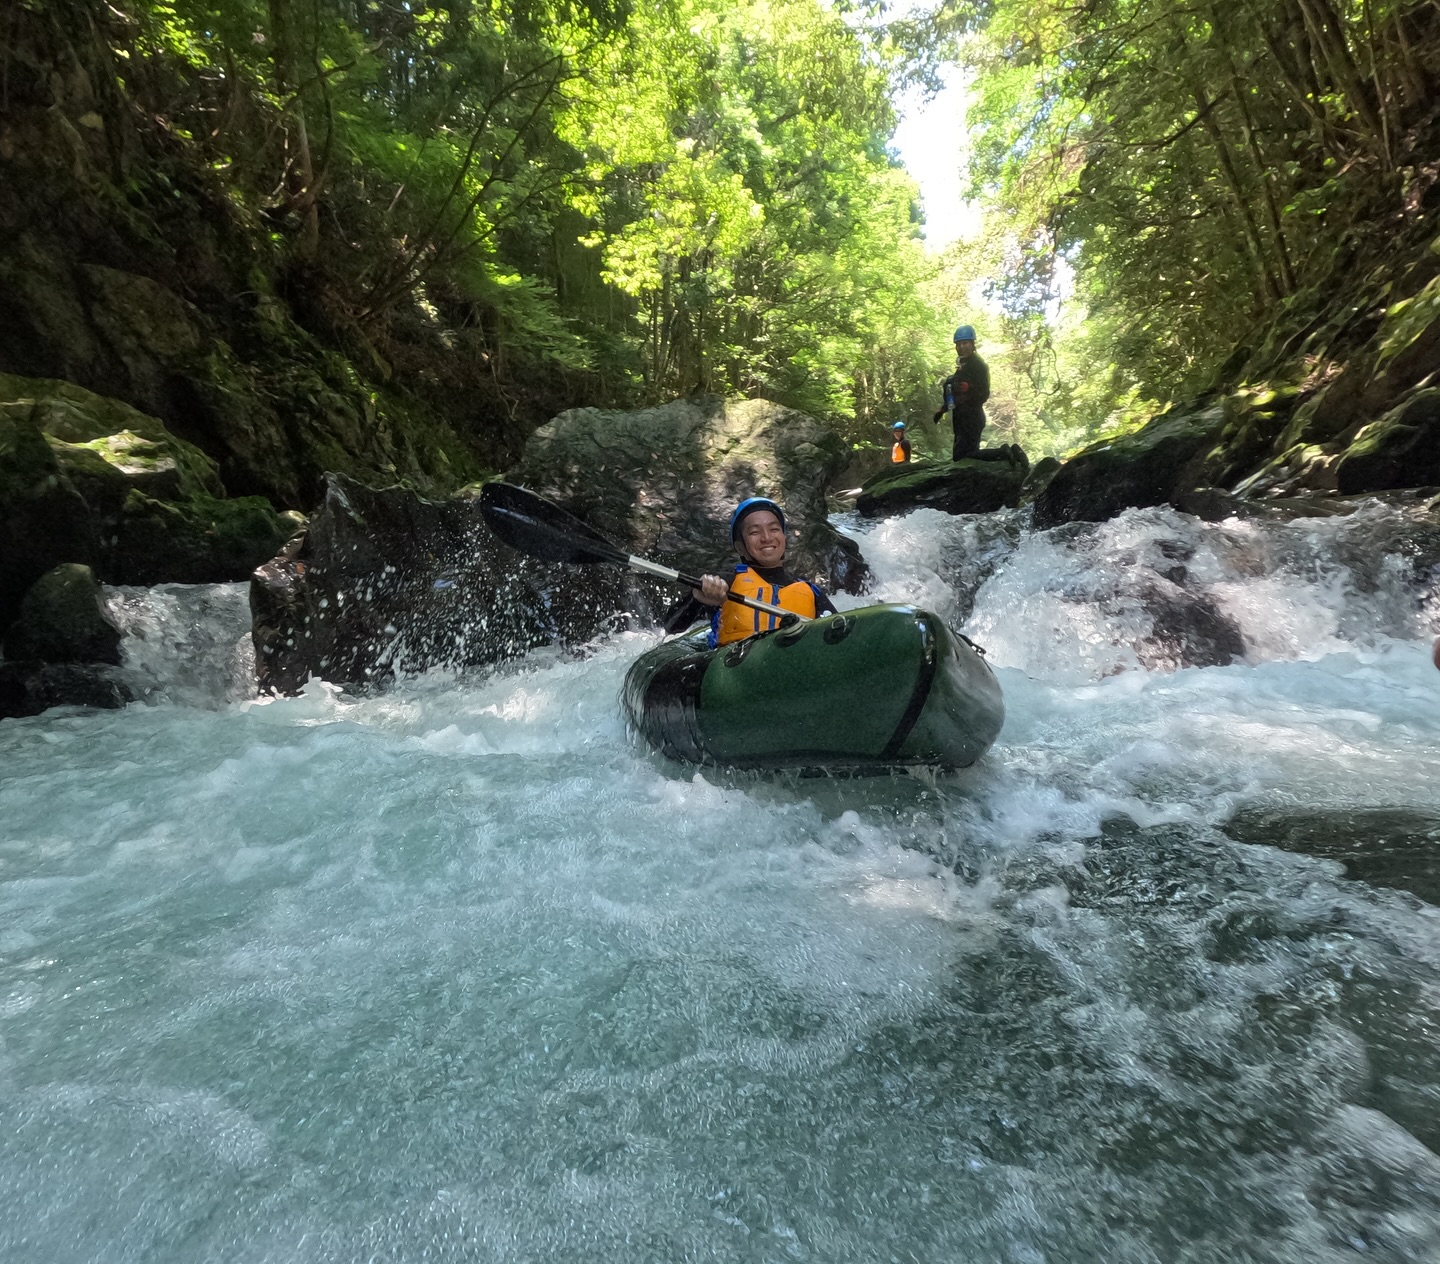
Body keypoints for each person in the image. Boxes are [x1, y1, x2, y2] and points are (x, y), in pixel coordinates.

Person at [663, 497, 837, 645]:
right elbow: (672, 627)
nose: (767, 538)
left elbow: (838, 636)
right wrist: (696, 598)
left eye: (774, 529)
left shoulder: (811, 592)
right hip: (737, 670)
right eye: (755, 532)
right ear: (740, 547)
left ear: (784, 538)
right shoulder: (725, 584)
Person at [934, 325, 1027, 470]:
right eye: (959, 344)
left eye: (965, 343)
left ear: (972, 344)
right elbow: (954, 392)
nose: (961, 347)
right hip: (961, 418)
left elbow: (984, 394)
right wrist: (943, 409)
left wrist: (970, 389)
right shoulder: (963, 365)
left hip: (971, 417)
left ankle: (1004, 452)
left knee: (963, 456)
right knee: (963, 457)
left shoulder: (978, 365)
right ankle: (1005, 454)